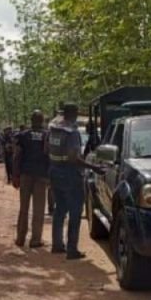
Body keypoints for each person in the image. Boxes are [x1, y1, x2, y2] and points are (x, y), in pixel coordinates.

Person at [47, 103, 105, 260]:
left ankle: (57, 245)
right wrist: (93, 167)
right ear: (75, 113)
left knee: (60, 209)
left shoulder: (54, 128)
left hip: (54, 172)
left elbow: (46, 149)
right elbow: (74, 158)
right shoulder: (72, 132)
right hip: (70, 175)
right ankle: (72, 249)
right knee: (75, 212)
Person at [13, 110, 50, 248]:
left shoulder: (23, 136)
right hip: (41, 175)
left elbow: (17, 156)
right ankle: (35, 240)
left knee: (24, 207)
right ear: (42, 121)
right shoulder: (47, 135)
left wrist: (15, 175)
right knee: (38, 209)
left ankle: (20, 238)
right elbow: (49, 155)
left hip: (25, 175)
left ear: (31, 120)